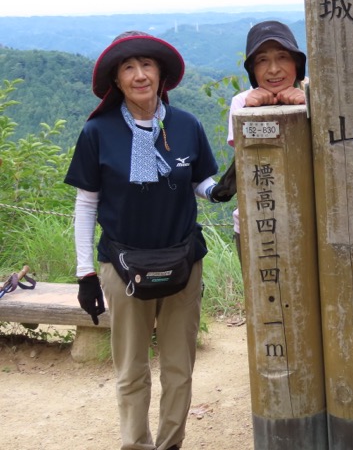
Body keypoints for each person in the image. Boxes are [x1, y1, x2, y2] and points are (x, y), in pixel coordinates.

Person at [66, 31, 230, 450]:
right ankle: (135, 444)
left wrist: (218, 190)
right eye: (128, 68)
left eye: (147, 66)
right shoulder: (98, 132)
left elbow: (197, 179)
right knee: (131, 368)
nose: (140, 75)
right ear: (117, 81)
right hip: (122, 264)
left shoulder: (185, 125)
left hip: (182, 260)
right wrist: (86, 272)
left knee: (179, 367)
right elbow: (86, 205)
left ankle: (170, 443)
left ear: (161, 75)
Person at [226, 20, 307, 262]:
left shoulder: (314, 94)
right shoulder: (241, 103)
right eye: (262, 60)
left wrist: (307, 105)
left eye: (283, 57)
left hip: (307, 222)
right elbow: (247, 161)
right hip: (256, 223)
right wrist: (252, 114)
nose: (273, 69)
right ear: (252, 69)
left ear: (297, 63)